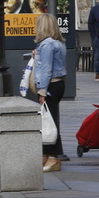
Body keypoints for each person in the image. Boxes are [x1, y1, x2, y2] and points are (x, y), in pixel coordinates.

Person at [33, 13, 68, 170]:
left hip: (50, 86)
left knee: (49, 122)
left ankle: (53, 157)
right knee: (49, 120)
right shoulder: (58, 43)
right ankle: (46, 155)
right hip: (58, 83)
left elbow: (46, 69)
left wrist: (42, 91)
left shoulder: (46, 45)